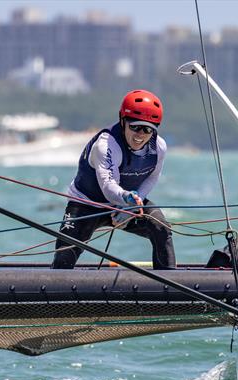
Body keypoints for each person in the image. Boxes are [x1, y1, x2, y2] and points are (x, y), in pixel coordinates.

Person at [51, 90, 175, 269]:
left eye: (148, 129)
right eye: (135, 126)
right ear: (123, 120)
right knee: (64, 256)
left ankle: (169, 284)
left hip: (128, 203)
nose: (140, 134)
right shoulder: (106, 145)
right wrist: (126, 200)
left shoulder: (159, 147)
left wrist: (134, 204)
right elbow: (108, 187)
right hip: (87, 204)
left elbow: (152, 178)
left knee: (161, 227)